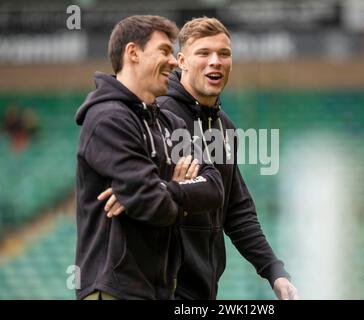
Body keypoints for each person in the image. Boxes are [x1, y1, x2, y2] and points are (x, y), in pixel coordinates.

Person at [99, 17, 299, 300]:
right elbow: (135, 191)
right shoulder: (159, 116)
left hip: (203, 292)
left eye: (224, 54)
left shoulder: (225, 129)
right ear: (181, 61)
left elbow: (237, 210)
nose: (215, 61)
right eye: (203, 53)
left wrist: (275, 272)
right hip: (161, 289)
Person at [75, 15, 223, 300]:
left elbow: (214, 186)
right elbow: (154, 205)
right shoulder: (107, 119)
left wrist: (168, 188)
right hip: (114, 290)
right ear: (133, 52)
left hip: (159, 291)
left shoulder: (171, 124)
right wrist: (172, 194)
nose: (172, 61)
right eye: (164, 51)